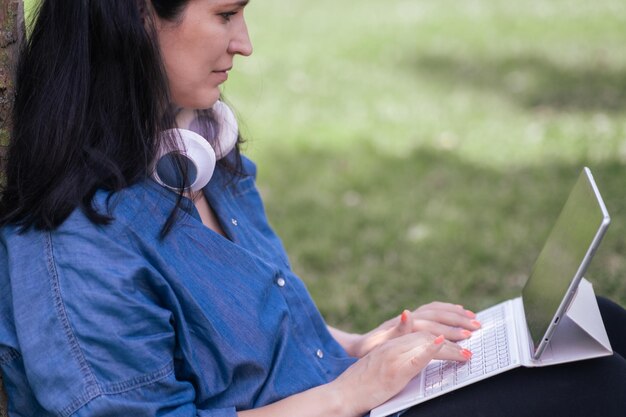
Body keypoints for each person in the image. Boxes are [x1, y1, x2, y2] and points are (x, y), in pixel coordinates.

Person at [0, 1, 624, 416]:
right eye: (225, 13)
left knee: (598, 324)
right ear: (137, 17)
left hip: (342, 398)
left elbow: (248, 335)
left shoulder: (199, 161)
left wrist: (365, 344)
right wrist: (353, 391)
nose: (244, 43)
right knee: (593, 384)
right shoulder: (78, 246)